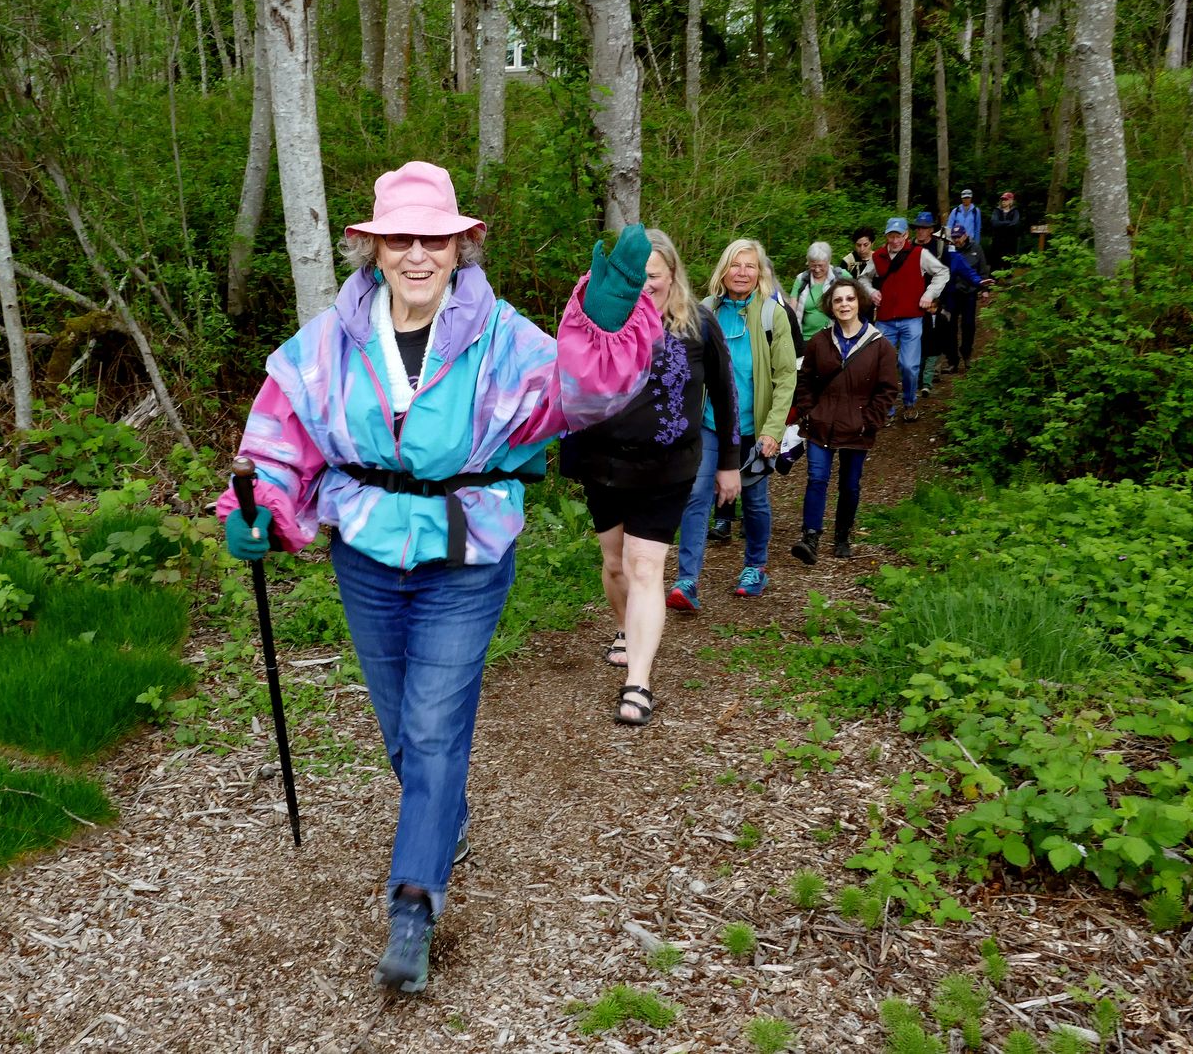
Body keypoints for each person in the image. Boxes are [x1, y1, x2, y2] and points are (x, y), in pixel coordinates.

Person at [218, 161, 660, 996]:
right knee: (400, 726)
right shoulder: (327, 342)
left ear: (462, 247)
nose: (417, 253)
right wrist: (257, 510)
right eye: (399, 240)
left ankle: (413, 903)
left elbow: (580, 397)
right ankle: (441, 817)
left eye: (434, 238)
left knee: (430, 726)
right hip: (367, 553)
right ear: (371, 249)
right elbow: (279, 439)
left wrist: (601, 332)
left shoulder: (502, 336)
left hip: (467, 551)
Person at [560, 230, 737, 726]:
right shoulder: (600, 320)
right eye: (635, 280)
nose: (644, 288)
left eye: (653, 279)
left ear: (673, 275)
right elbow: (568, 380)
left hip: (668, 467)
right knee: (615, 565)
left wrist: (729, 461)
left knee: (644, 568)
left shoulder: (699, 324)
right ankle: (626, 625)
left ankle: (638, 682)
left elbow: (725, 396)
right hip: (603, 463)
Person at [669, 239, 797, 610]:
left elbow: (786, 377)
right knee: (697, 494)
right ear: (723, 270)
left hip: (754, 426)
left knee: (754, 500)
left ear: (760, 274)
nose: (742, 272)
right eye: (735, 265)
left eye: (750, 266)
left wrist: (773, 429)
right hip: (709, 424)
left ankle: (756, 566)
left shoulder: (773, 316)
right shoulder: (704, 312)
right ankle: (687, 579)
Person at [788, 278, 899, 563]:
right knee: (817, 478)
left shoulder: (880, 345)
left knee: (850, 484)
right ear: (830, 306)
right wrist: (808, 411)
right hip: (820, 422)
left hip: (857, 426)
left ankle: (842, 535)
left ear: (859, 301)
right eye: (838, 300)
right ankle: (810, 537)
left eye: (849, 299)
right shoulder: (819, 342)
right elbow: (805, 379)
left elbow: (887, 389)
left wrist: (869, 420)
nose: (844, 305)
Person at [859, 217, 948, 424]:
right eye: (891, 235)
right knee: (883, 365)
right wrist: (871, 292)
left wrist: (929, 294)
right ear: (886, 236)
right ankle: (887, 406)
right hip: (885, 320)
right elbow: (863, 278)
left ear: (906, 235)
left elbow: (942, 272)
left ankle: (909, 402)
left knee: (908, 365)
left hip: (912, 319)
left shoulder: (919, 254)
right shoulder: (879, 256)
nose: (895, 240)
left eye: (899, 235)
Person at [909, 213, 953, 400]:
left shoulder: (940, 246)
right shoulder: (909, 247)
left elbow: (948, 272)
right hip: (913, 298)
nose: (920, 231)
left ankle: (932, 371)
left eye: (924, 228)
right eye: (918, 227)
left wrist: (943, 300)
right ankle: (917, 372)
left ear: (931, 229)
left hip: (935, 298)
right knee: (918, 333)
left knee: (935, 333)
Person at [944, 225, 993, 373]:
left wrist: (984, 290)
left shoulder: (976, 249)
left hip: (969, 293)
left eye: (959, 237)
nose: (956, 240)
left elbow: (983, 269)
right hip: (952, 293)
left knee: (968, 325)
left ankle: (967, 354)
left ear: (965, 236)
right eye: (954, 237)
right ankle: (952, 361)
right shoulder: (949, 251)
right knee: (950, 327)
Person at [791, 241, 853, 341]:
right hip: (806, 338)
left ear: (828, 261)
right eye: (813, 265)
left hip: (835, 337)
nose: (817, 269)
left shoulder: (841, 276)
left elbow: (855, 301)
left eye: (821, 265)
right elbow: (792, 309)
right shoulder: (801, 279)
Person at [988, 191, 1021, 270]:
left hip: (1010, 241)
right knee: (995, 261)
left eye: (1006, 199)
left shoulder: (1015, 211)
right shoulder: (997, 210)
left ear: (1011, 201)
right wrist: (1007, 223)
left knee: (1008, 261)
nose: (1003, 201)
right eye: (1002, 199)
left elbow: (1015, 224)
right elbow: (994, 223)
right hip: (997, 240)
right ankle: (993, 279)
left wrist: (1001, 224)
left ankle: (1008, 279)